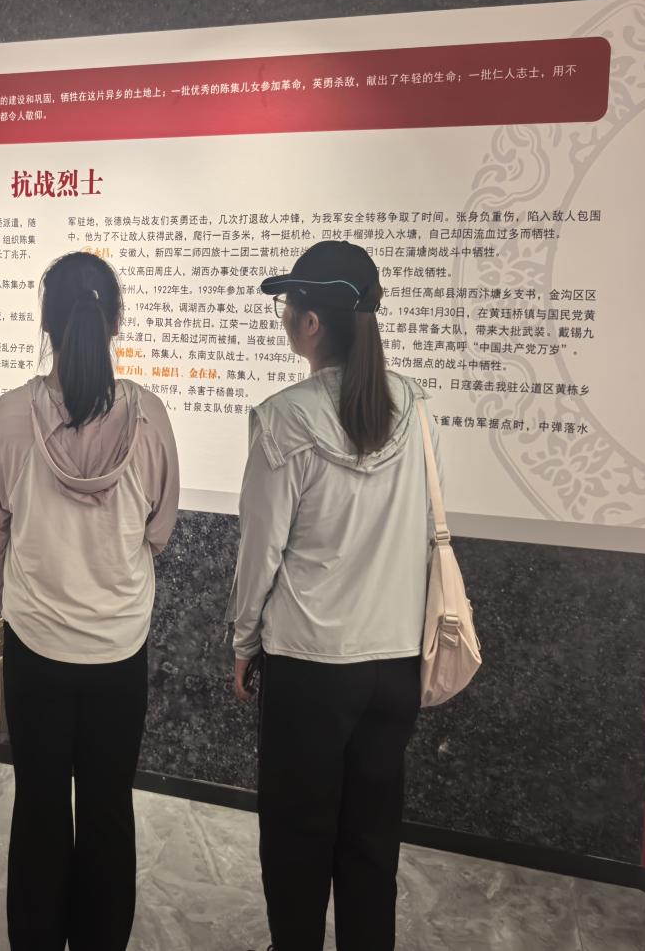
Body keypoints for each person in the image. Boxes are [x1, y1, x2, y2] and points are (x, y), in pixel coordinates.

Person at [229, 240, 441, 951]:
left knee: (297, 841)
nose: (285, 318)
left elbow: (260, 550)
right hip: (394, 664)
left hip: (311, 663)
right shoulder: (413, 407)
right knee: (372, 845)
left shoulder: (283, 418)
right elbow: (424, 526)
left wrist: (243, 640)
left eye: (287, 306)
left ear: (311, 322)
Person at [0, 251, 180, 950]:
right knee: (107, 808)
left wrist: (18, 601)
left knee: (37, 807)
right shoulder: (149, 419)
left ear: (46, 324)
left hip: (35, 647)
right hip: (119, 650)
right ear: (114, 321)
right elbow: (158, 532)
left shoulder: (10, 416)